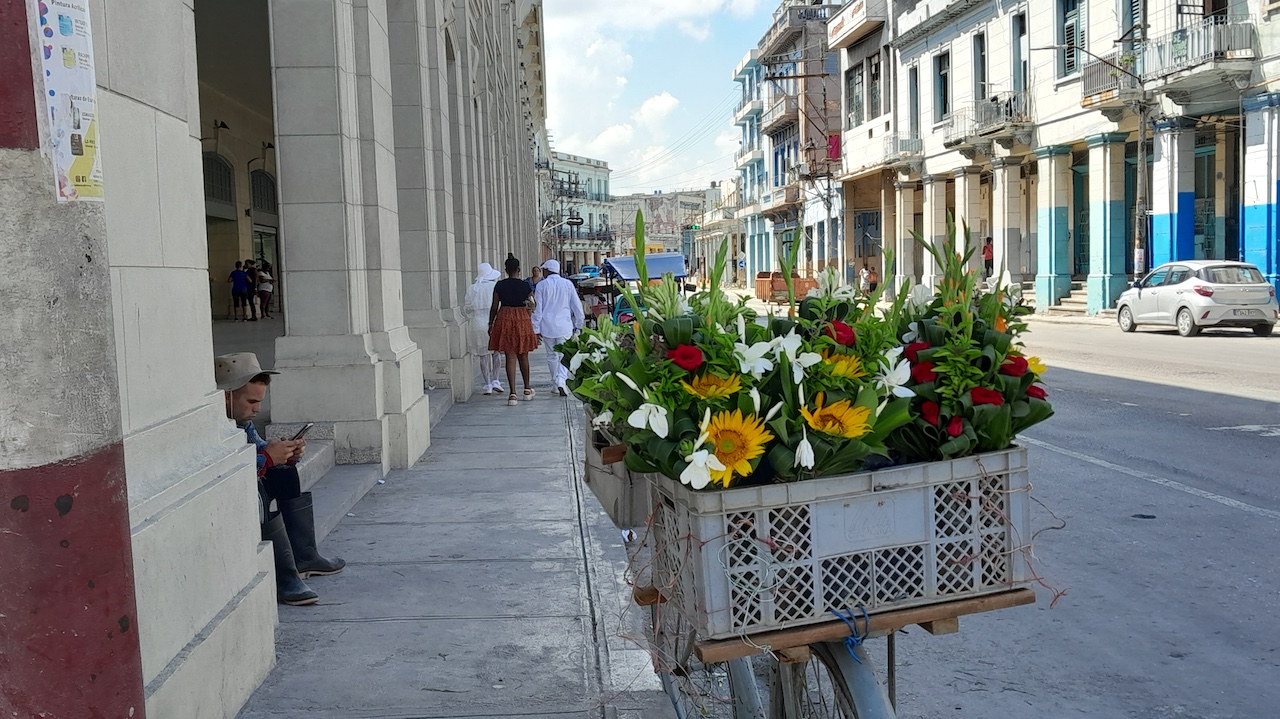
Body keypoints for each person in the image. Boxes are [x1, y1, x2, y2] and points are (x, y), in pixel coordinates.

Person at [217, 352, 344, 606]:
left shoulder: (242, 422)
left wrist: (286, 454)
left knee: (283, 472)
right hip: (228, 501)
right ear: (226, 396)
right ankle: (285, 577)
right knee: (258, 487)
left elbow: (259, 449)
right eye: (251, 401)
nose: (257, 409)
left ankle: (304, 556)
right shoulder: (215, 426)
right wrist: (266, 457)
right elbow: (227, 470)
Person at [488, 256, 539, 406]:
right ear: (519, 270)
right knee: (523, 355)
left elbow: (494, 306)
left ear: (506, 270)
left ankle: (512, 394)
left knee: (510, 356)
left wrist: (491, 323)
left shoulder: (500, 285)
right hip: (522, 318)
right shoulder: (525, 286)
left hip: (505, 316)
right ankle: (527, 389)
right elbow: (532, 303)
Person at [531, 259, 585, 397]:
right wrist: (579, 325)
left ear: (548, 270)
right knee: (563, 355)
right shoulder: (567, 284)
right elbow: (577, 306)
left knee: (551, 356)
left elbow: (538, 310)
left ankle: (556, 383)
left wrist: (535, 329)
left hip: (547, 326)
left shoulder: (541, 286)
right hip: (564, 326)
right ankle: (561, 380)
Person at [464, 262, 504, 395]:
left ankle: (487, 384)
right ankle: (496, 380)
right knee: (496, 353)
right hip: (492, 322)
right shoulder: (495, 287)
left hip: (476, 323)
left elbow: (467, 308)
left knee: (483, 356)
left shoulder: (472, 288)